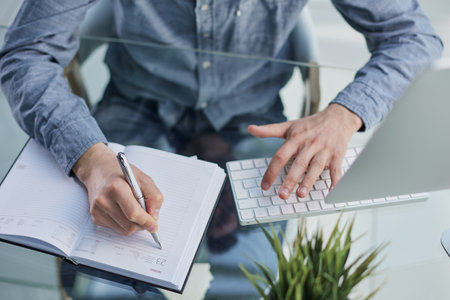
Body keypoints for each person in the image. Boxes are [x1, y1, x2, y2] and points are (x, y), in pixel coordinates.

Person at [0, 0, 442, 240]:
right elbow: (26, 56)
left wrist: (346, 114)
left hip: (251, 116)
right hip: (136, 102)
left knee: (261, 277)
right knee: (103, 263)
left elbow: (413, 37)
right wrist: (89, 156)